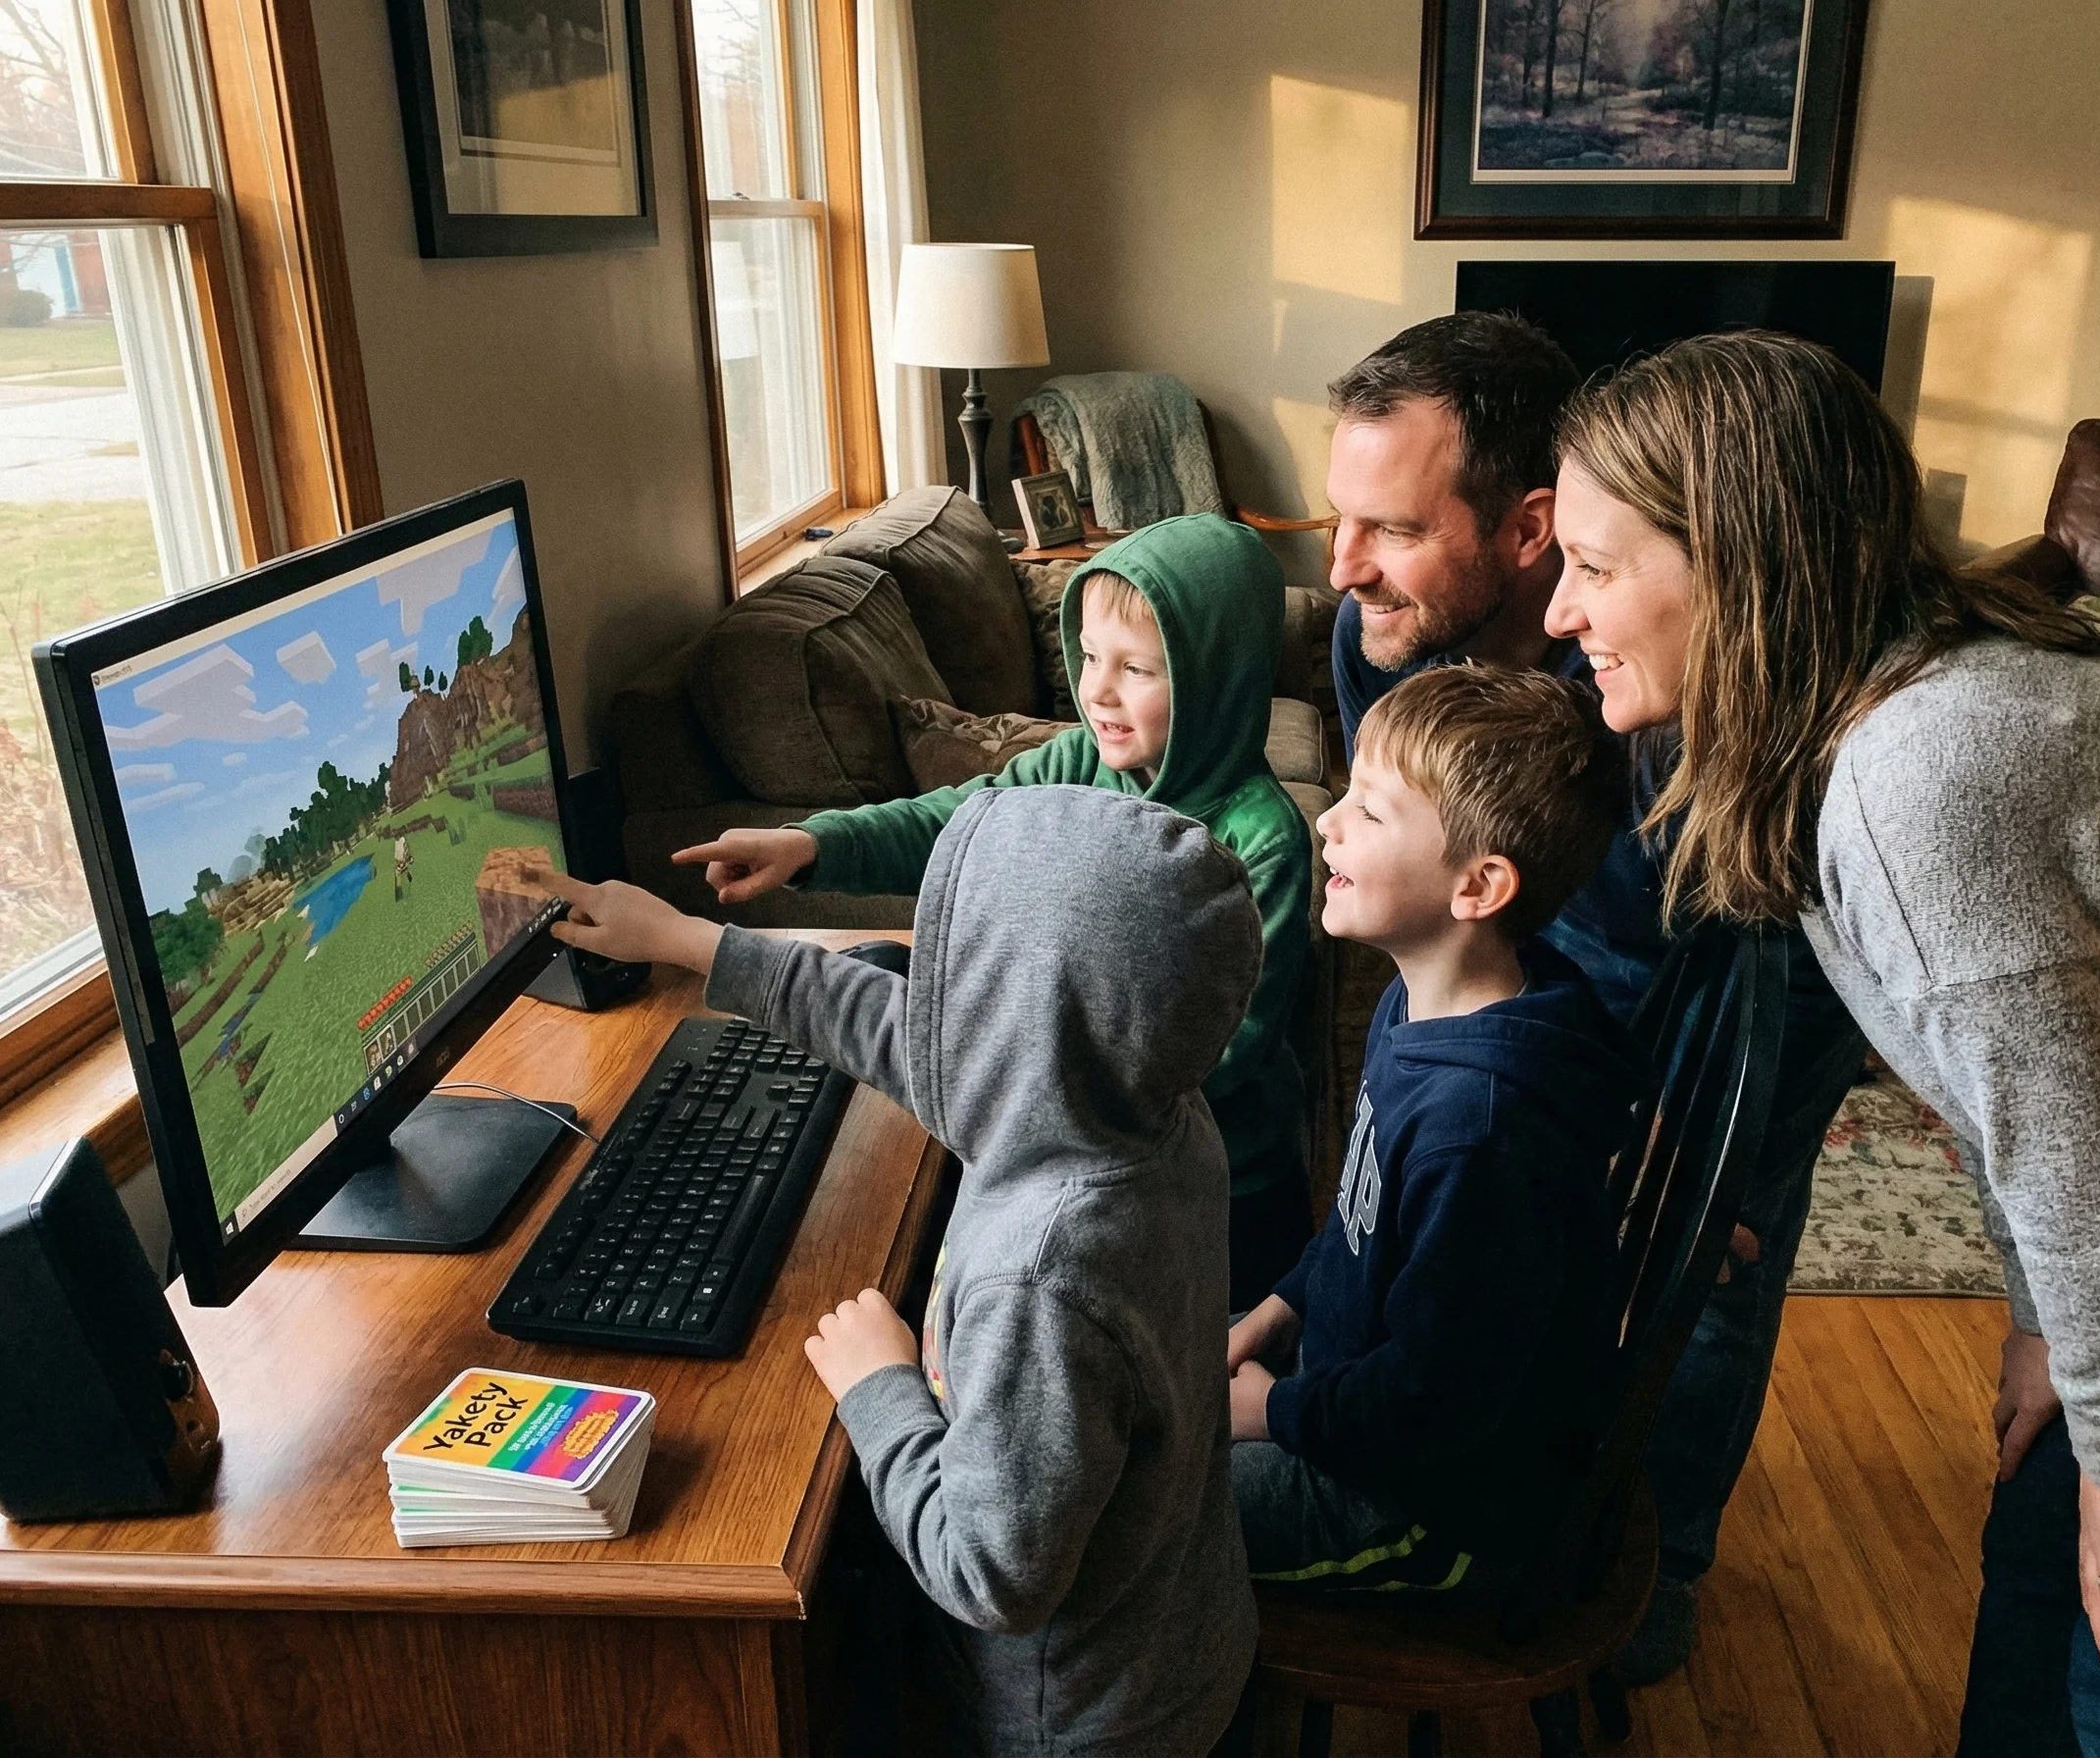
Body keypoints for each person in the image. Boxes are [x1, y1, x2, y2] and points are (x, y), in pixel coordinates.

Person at [1545, 329, 2100, 1756]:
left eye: (1595, 567)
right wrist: (2047, 1334)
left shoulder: (1925, 775)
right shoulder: (1845, 727)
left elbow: (2084, 1181)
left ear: (1740, 569)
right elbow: (2006, 1102)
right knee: (2039, 1560)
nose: (1562, 612)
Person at [1321, 310, 1867, 1673]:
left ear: (1529, 529)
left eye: (1393, 527)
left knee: (1706, 1268)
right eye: (1341, 520)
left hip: (1731, 967)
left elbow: (1786, 954)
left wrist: (1706, 1147)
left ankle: (1661, 1552)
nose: (1345, 568)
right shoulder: (1380, 634)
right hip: (1534, 967)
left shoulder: (1680, 676)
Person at [530, 785, 1262, 1755]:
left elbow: (990, 1575)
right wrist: (690, 942)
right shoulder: (1143, 1106)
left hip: (1069, 1720)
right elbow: (915, 1038)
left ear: (1013, 1014)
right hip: (1177, 1628)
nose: (935, 991)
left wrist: (880, 1388)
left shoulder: (1045, 1282)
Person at [671, 513, 1314, 1309]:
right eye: (1089, 657)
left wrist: (1035, 1092)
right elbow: (959, 823)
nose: (1097, 691)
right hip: (1078, 1153)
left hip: (1222, 1185)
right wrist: (812, 844)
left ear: (1218, 680)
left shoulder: (1262, 837)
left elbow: (1236, 1042)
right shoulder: (1080, 759)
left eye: (1137, 669)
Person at [1226, 662, 1641, 1594]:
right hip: (1343, 1391)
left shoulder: (1484, 1134)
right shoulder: (1418, 1006)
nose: (1326, 823)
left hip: (1419, 1502)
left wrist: (1271, 1414)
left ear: (1478, 886)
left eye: (1370, 812)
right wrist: (1276, 1311)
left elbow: (1437, 1401)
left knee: (1119, 1509)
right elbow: (1358, 1221)